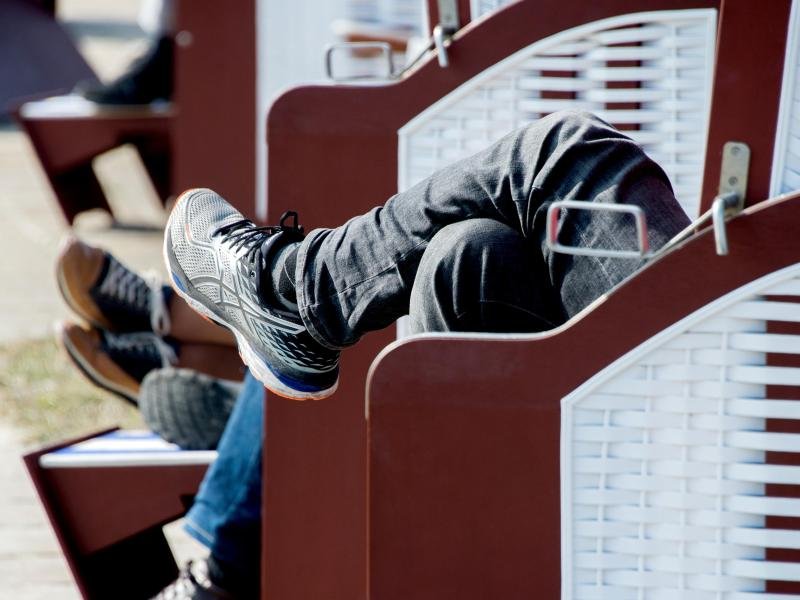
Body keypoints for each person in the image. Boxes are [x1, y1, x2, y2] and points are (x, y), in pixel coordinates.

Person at [153, 110, 690, 598]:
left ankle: (287, 292)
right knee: (470, 256)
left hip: (697, 420)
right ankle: (246, 311)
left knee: (564, 150)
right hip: (703, 408)